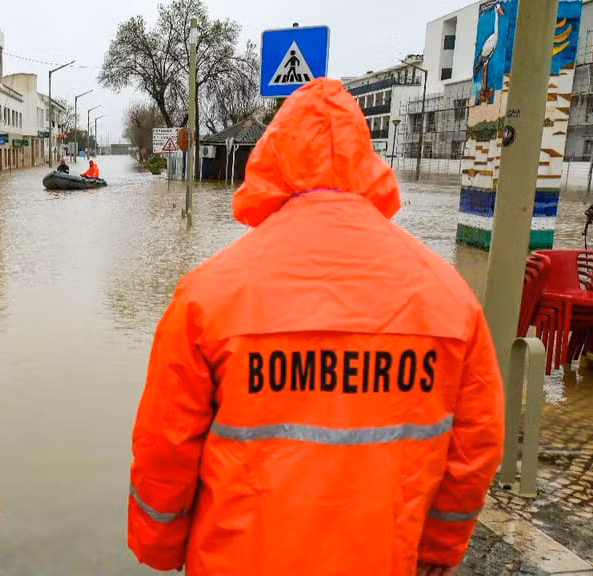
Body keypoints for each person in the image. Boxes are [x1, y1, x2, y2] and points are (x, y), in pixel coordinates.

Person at [127, 79, 504, 576]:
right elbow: (475, 447)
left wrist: (160, 544)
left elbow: (166, 447)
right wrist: (437, 549)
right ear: (367, 162)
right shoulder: (450, 298)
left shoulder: (207, 295)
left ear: (270, 161)